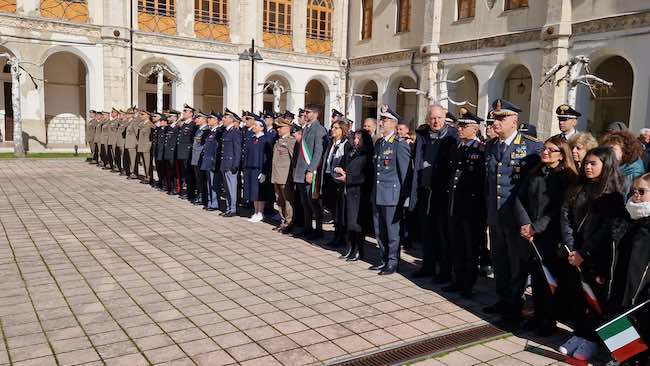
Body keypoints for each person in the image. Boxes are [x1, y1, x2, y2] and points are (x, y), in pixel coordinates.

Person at [559, 147, 628, 361]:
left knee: (595, 300)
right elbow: (566, 216)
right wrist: (572, 248)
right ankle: (579, 333)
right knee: (577, 296)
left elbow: (606, 231)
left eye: (593, 164)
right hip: (574, 254)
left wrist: (584, 253)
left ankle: (592, 339)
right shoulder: (578, 188)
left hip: (596, 257)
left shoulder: (612, 196)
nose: (587, 167)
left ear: (605, 166)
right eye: (586, 163)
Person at [483, 99, 542, 321]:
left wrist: (529, 220)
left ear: (514, 120)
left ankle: (515, 304)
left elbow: (534, 189)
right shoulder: (491, 145)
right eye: (495, 118)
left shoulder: (531, 146)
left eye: (501, 118)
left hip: (517, 217)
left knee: (517, 262)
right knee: (499, 259)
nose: (496, 122)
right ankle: (503, 298)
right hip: (496, 214)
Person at [515, 135, 578, 336]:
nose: (545, 152)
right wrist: (525, 223)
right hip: (531, 234)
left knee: (550, 280)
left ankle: (548, 320)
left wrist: (536, 227)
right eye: (544, 148)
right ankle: (537, 316)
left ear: (562, 155)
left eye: (551, 150)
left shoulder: (566, 177)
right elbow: (519, 198)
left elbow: (559, 209)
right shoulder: (536, 172)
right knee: (536, 278)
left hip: (551, 236)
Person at [410, 104, 459, 283]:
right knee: (427, 232)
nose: (436, 121)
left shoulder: (453, 136)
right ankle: (427, 266)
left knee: (443, 234)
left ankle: (444, 271)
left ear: (445, 118)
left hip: (443, 193)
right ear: (427, 119)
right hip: (425, 192)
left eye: (439, 117)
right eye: (432, 118)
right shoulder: (423, 135)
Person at [443, 109, 486, 299]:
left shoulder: (480, 150)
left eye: (464, 125)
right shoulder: (457, 147)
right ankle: (457, 279)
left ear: (475, 129)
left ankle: (469, 284)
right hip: (455, 205)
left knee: (470, 248)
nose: (459, 128)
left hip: (472, 208)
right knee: (457, 245)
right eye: (459, 125)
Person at [608, 174, 650, 365]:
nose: (636, 196)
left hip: (643, 287)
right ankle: (622, 357)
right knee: (618, 316)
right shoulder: (627, 217)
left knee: (641, 323)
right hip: (620, 279)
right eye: (634, 191)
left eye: (642, 192)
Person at [370, 105, 411, 275]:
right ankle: (383, 258)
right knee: (379, 230)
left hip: (392, 195)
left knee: (392, 232)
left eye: (385, 120)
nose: (381, 123)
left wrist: (404, 198)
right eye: (381, 120)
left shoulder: (399, 144)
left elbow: (405, 173)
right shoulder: (380, 143)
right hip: (378, 193)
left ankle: (393, 262)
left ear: (394, 123)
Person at [335, 129, 374, 261]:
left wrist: (349, 179)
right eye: (355, 138)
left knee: (356, 223)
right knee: (348, 222)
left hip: (359, 193)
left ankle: (358, 250)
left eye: (359, 138)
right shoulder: (351, 152)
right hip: (347, 192)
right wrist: (339, 169)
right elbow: (341, 164)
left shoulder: (367, 155)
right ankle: (350, 248)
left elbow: (366, 177)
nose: (356, 141)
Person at [293, 104, 328, 240]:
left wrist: (311, 170)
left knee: (313, 203)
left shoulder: (319, 130)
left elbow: (318, 152)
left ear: (316, 114)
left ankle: (318, 230)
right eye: (305, 112)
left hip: (310, 172)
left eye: (308, 112)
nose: (305, 114)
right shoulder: (306, 128)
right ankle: (308, 228)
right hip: (301, 171)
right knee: (304, 203)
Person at [322, 120, 351, 247]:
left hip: (339, 180)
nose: (333, 130)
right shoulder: (331, 143)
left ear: (342, 130)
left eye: (336, 128)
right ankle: (336, 234)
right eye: (332, 127)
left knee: (340, 210)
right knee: (333, 208)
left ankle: (342, 237)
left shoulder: (346, 144)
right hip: (329, 177)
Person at [271, 112, 297, 233]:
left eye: (280, 127)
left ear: (288, 128)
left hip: (286, 177)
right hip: (276, 176)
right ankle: (282, 222)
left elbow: (294, 160)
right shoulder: (277, 141)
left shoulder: (291, 142)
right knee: (279, 201)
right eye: (277, 127)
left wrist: (292, 177)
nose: (278, 129)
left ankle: (289, 223)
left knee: (288, 202)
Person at [243, 115, 272, 223]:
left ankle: (260, 212)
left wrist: (264, 172)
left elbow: (267, 158)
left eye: (256, 125)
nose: (253, 127)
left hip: (259, 169)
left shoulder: (265, 140)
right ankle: (255, 212)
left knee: (260, 193)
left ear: (261, 127)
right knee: (253, 193)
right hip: (250, 168)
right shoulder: (251, 139)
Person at [601, 130, 646, 194]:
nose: (607, 152)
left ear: (624, 150)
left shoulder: (633, 172)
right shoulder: (610, 166)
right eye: (606, 149)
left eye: (612, 149)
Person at [220, 109, 242, 217]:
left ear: (231, 120)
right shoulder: (226, 132)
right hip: (225, 163)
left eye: (225, 117)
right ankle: (229, 208)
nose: (223, 119)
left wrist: (236, 164)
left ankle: (233, 209)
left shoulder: (235, 132)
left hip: (231, 164)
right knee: (227, 188)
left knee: (232, 187)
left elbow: (237, 150)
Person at [200, 112, 223, 211]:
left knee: (214, 185)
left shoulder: (219, 132)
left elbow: (217, 149)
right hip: (208, 161)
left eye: (211, 118)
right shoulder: (209, 132)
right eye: (208, 118)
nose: (208, 120)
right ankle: (210, 202)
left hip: (214, 162)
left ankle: (215, 203)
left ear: (216, 120)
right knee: (209, 183)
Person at [177, 105, 197, 200]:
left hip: (187, 152)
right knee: (183, 173)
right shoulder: (184, 124)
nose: (183, 113)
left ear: (191, 113)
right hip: (181, 152)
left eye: (186, 111)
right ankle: (185, 190)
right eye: (183, 111)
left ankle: (190, 192)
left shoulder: (193, 125)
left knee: (189, 173)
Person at [190, 112, 210, 206]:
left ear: (203, 119)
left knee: (202, 179)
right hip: (195, 158)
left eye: (198, 118)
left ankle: (203, 197)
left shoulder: (207, 131)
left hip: (201, 159)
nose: (196, 120)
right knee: (198, 179)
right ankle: (200, 195)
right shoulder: (198, 130)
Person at [163, 111, 180, 193]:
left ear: (175, 117)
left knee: (175, 171)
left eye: (170, 116)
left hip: (174, 153)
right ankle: (171, 186)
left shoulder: (178, 127)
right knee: (169, 171)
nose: (168, 118)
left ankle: (176, 188)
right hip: (168, 152)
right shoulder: (169, 127)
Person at [136, 112, 155, 184]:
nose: (141, 116)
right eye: (140, 114)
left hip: (147, 146)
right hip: (141, 145)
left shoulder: (150, 125)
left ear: (148, 116)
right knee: (144, 163)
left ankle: (149, 177)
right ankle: (146, 176)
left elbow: (152, 137)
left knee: (147, 163)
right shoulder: (142, 124)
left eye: (142, 114)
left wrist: (150, 145)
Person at [154, 115, 168, 190]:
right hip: (157, 152)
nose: (161, 122)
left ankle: (165, 184)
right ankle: (160, 182)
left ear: (166, 122)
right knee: (158, 168)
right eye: (160, 121)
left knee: (164, 169)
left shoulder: (167, 129)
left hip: (163, 152)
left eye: (162, 121)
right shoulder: (158, 129)